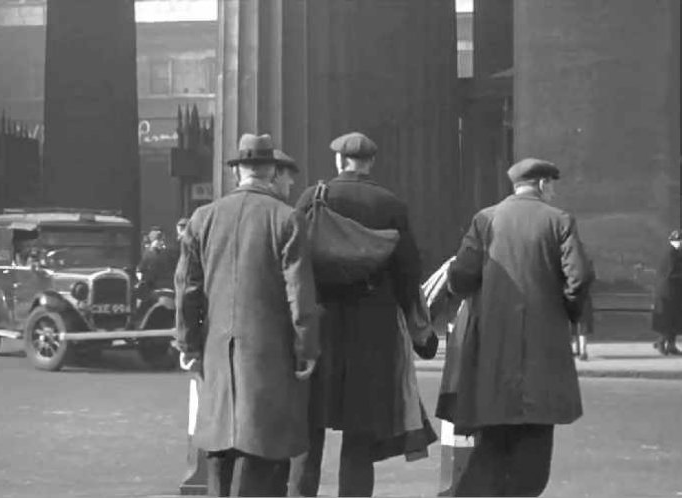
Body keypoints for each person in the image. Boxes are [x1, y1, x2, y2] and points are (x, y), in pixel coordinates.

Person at [174, 133, 320, 497]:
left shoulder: (202, 218)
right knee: (263, 451)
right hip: (269, 357)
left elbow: (187, 289)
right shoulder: (287, 219)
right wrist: (306, 348)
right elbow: (298, 294)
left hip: (218, 353)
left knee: (220, 449)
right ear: (271, 170)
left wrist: (188, 344)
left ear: (238, 171)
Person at [290, 132, 434, 497]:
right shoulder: (390, 204)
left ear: (339, 162)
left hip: (321, 325)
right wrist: (419, 331)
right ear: (370, 163)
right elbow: (408, 273)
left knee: (310, 429)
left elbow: (294, 264)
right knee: (359, 436)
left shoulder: (313, 197)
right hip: (373, 330)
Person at [446, 158, 592, 497]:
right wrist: (566, 312)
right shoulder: (559, 221)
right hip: (544, 349)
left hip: (493, 350)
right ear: (541, 185)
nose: (553, 191)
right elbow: (579, 277)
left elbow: (462, 276)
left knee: (492, 441)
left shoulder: (485, 219)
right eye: (551, 184)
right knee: (534, 447)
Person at [651, 229, 682, 356]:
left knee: (673, 319)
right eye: (677, 241)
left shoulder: (674, 253)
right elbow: (670, 274)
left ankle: (671, 345)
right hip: (667, 293)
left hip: (672, 292)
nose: (678, 243)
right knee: (667, 319)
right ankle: (661, 342)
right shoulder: (671, 254)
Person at [572, 258, 595, 361]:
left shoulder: (572, 267)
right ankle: (581, 351)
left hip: (575, 298)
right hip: (583, 298)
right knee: (581, 326)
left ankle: (579, 350)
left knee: (577, 325)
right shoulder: (588, 270)